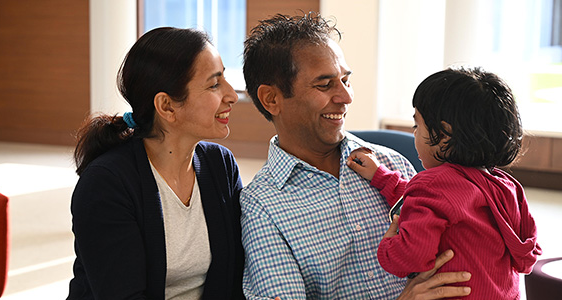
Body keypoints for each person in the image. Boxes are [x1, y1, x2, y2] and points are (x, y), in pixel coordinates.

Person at [240, 12, 471, 299]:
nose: (346, 97)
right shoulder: (261, 206)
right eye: (324, 85)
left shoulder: (393, 163)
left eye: (345, 80)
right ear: (271, 99)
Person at [67, 27, 245, 299]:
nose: (231, 95)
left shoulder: (220, 165)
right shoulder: (106, 184)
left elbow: (234, 275)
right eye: (214, 84)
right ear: (167, 107)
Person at [347, 66, 542, 299]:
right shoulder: (506, 187)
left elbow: (412, 258)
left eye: (417, 126)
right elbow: (527, 257)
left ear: (444, 134)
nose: (415, 134)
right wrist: (381, 177)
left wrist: (388, 247)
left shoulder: (431, 185)